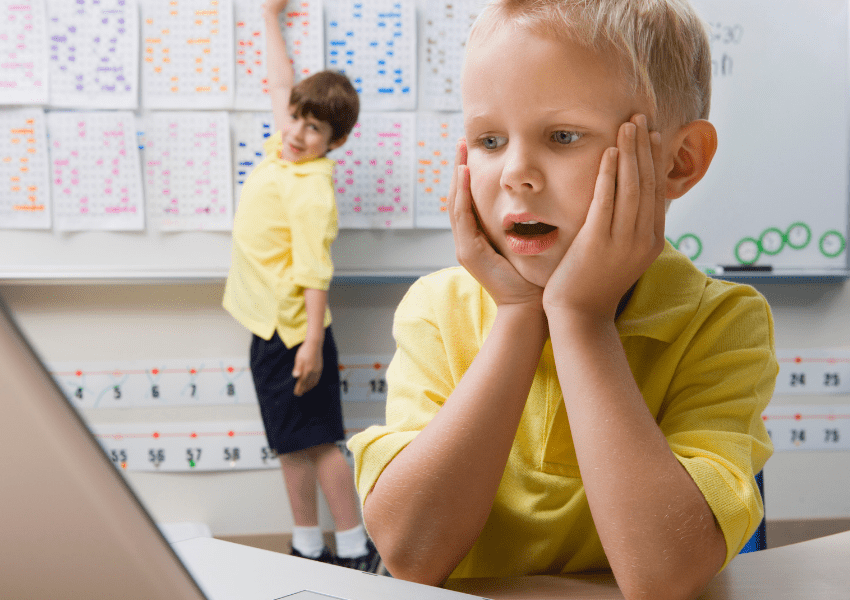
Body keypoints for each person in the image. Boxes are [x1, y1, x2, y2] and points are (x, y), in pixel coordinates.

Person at [347, 0, 777, 598]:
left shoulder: (722, 322)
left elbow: (663, 577)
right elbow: (412, 554)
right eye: (488, 140)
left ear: (678, 162)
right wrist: (521, 314)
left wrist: (580, 319)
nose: (515, 173)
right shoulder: (437, 310)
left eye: (563, 136)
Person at [222, 0, 378, 573]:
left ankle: (356, 548)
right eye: (295, 118)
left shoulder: (312, 187)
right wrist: (269, 19)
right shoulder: (282, 151)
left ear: (333, 141)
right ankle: (308, 546)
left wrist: (311, 344)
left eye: (314, 128)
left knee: (320, 443)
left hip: (293, 334)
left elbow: (316, 273)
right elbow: (282, 83)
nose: (296, 132)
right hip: (272, 330)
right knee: (292, 444)